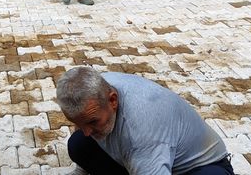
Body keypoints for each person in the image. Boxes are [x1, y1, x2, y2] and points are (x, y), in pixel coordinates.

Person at [56, 67, 234, 175]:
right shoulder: (97, 88)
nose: (86, 131)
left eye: (93, 122)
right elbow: (85, 124)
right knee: (79, 144)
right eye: (78, 123)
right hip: (146, 155)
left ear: (113, 100)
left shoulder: (142, 131)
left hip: (199, 167)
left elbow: (141, 139)